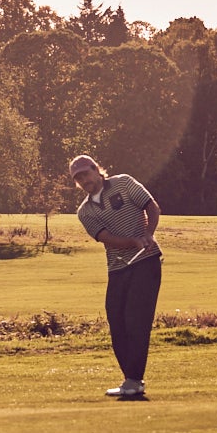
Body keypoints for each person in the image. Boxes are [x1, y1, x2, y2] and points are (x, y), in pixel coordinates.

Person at [71, 154, 163, 400]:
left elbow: (151, 207)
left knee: (136, 320)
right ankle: (130, 380)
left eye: (86, 174)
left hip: (146, 262)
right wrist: (133, 241)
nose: (84, 180)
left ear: (96, 169)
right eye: (79, 178)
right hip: (118, 268)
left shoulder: (123, 183)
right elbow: (106, 238)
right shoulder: (85, 211)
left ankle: (134, 381)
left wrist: (148, 234)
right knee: (117, 320)